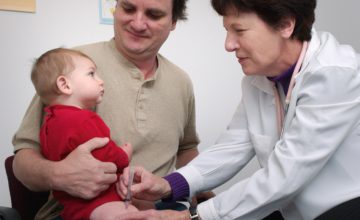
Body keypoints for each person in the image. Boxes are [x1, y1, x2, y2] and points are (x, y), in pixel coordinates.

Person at [118, 0, 360, 219]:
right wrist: (169, 185)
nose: (228, 45)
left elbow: (286, 174)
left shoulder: (334, 73)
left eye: (239, 30)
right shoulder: (260, 80)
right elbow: (232, 147)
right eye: (227, 31)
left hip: (344, 206)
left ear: (286, 25)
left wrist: (196, 217)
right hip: (293, 209)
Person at [12, 0, 202, 219]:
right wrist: (58, 174)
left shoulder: (181, 81)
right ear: (116, 8)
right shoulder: (71, 66)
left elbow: (187, 148)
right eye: (128, 9)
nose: (138, 23)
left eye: (153, 14)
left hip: (160, 210)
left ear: (173, 22)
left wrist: (196, 187)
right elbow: (22, 159)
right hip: (81, 213)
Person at [31, 48, 139, 219]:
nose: (101, 81)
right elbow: (104, 154)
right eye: (91, 74)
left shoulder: (48, 124)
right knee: (133, 214)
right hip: (101, 200)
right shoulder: (85, 119)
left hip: (71, 205)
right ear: (65, 85)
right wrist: (123, 155)